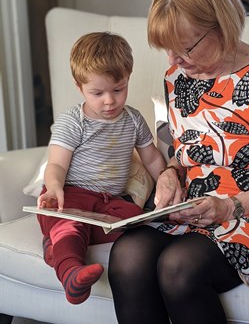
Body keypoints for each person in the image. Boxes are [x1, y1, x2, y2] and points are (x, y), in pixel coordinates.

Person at [108, 0, 249, 324]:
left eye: (183, 48)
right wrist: (170, 174)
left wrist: (231, 206)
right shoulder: (177, 79)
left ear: (220, 25)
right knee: (127, 255)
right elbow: (183, 155)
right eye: (166, 50)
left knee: (179, 267)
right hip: (199, 209)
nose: (172, 62)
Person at [36, 32, 166, 305]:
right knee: (67, 220)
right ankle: (71, 271)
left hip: (110, 202)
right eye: (97, 93)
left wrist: (165, 181)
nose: (109, 101)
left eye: (118, 89)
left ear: (128, 78)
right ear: (79, 87)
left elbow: (151, 157)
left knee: (137, 221)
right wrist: (55, 185)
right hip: (71, 194)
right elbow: (57, 163)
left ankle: (56, 245)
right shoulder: (73, 121)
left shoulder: (132, 119)